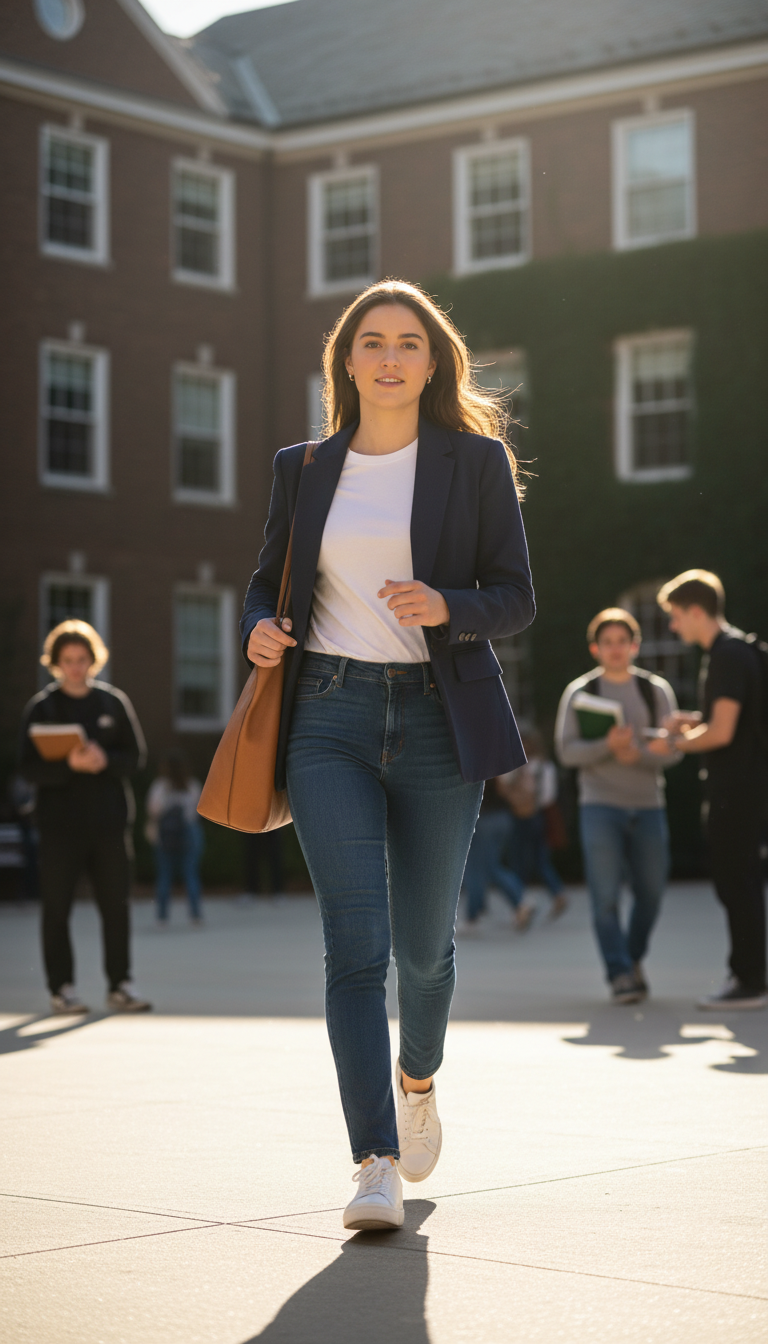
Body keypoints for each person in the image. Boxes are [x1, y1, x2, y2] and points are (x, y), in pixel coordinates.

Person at [240, 279, 534, 1230]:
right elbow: (263, 583)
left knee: (425, 954)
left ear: (433, 359)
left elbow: (516, 595)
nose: (393, 355)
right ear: (349, 359)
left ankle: (419, 1079)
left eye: (411, 340)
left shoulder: (475, 462)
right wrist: (259, 632)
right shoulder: (305, 466)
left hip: (439, 719)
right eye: (374, 340)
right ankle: (372, 1161)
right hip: (327, 715)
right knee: (354, 948)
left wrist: (452, 604)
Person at [19, 620, 151, 1015]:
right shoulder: (42, 708)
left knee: (116, 907)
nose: (76, 667)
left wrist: (105, 759)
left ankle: (120, 986)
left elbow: (136, 758)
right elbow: (27, 767)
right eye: (68, 660)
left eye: (82, 659)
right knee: (56, 908)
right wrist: (70, 766)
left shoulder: (114, 703)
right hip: (59, 828)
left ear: (94, 661)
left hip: (109, 826)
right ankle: (62, 989)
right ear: (55, 663)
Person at [654, 570, 767, 1010]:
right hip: (747, 785)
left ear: (697, 611)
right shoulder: (741, 649)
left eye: (677, 617)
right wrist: (691, 721)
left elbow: (721, 732)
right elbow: (725, 721)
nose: (674, 626)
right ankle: (748, 974)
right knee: (742, 882)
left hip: (735, 790)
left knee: (737, 883)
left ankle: (748, 981)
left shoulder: (726, 656)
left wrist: (674, 742)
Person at [555, 609, 680, 1004]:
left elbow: (673, 750)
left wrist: (638, 754)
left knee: (652, 892)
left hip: (648, 805)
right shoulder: (580, 692)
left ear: (634, 646)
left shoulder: (654, 689)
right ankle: (620, 974)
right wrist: (607, 746)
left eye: (621, 642)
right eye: (606, 642)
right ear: (596, 648)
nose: (614, 649)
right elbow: (566, 752)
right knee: (605, 897)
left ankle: (631, 957)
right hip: (599, 806)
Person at [501, 730, 567, 926]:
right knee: (537, 859)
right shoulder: (543, 767)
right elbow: (549, 796)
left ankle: (521, 904)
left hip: (526, 817)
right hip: (535, 816)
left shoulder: (525, 766)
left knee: (520, 860)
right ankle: (555, 894)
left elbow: (505, 785)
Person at [458, 777, 525, 934]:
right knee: (490, 865)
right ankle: (517, 901)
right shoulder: (493, 758)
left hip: (484, 819)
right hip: (502, 817)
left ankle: (473, 916)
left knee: (477, 869)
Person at [145, 750, 204, 926]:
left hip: (165, 835)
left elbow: (153, 810)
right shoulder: (192, 785)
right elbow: (199, 810)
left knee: (164, 875)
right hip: (189, 832)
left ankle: (162, 917)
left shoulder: (160, 787)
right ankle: (195, 915)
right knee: (191, 874)